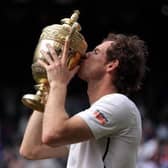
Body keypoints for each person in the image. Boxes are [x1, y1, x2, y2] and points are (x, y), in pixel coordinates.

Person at [19, 32, 148, 168]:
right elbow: (31, 149)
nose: (86, 54)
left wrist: (58, 84)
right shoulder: (89, 121)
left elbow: (53, 134)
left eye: (96, 52)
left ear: (111, 65)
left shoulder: (120, 104)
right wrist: (49, 88)